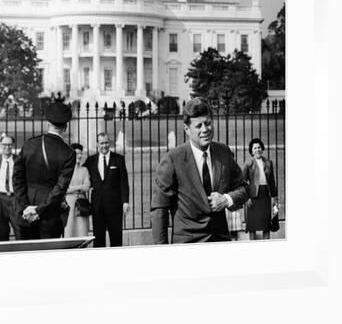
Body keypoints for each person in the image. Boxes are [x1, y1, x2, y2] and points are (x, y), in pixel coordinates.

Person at [151, 97, 248, 244]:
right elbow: (160, 209)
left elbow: (244, 189)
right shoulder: (173, 159)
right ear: (187, 129)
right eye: (199, 126)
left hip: (220, 242)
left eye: (208, 123)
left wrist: (226, 200)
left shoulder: (223, 152)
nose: (205, 129)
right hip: (187, 246)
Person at [12, 101, 76, 240]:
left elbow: (17, 178)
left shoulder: (30, 144)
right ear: (65, 126)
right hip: (50, 214)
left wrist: (26, 207)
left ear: (48, 123)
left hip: (24, 212)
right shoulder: (68, 153)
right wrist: (38, 209)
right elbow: (60, 188)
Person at [84, 132, 130, 247]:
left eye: (106, 143)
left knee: (116, 239)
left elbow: (124, 182)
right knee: (98, 240)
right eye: (101, 143)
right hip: (97, 207)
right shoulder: (91, 160)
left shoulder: (119, 159)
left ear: (109, 143)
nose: (104, 146)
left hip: (115, 207)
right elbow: (81, 173)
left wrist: (125, 202)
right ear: (97, 144)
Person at [242, 138, 278, 240]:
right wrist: (246, 198)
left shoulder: (268, 163)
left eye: (259, 147)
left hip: (265, 196)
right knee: (252, 226)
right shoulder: (248, 163)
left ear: (262, 149)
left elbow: (272, 182)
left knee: (266, 225)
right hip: (252, 197)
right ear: (251, 151)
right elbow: (242, 182)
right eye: (255, 148)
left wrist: (274, 198)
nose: (257, 150)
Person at [64, 143, 91, 238]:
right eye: (77, 153)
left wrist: (72, 188)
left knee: (82, 231)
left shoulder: (84, 170)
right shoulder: (65, 170)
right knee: (69, 230)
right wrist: (80, 187)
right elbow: (63, 189)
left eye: (81, 153)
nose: (79, 156)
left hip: (81, 204)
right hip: (68, 204)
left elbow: (87, 187)